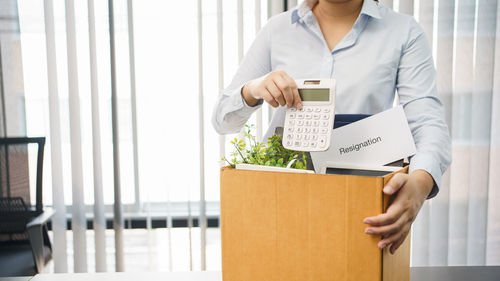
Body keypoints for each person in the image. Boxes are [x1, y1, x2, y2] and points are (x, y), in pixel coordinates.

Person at [211, 0, 451, 254]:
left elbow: (427, 123)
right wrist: (252, 89)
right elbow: (223, 119)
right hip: (280, 201)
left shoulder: (403, 32)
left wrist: (420, 184)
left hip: (358, 205)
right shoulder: (276, 30)